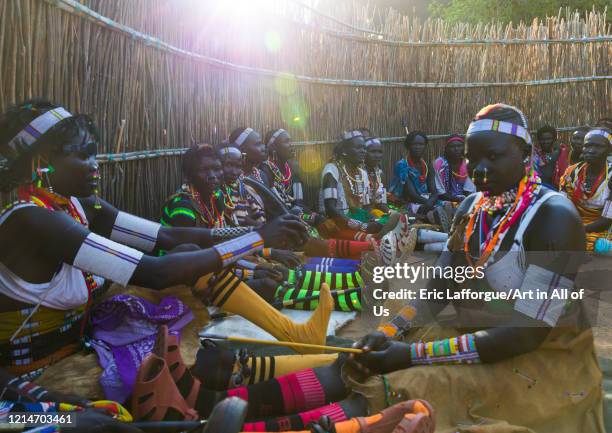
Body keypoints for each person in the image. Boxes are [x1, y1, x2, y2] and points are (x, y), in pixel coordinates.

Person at [0, 99, 332, 389]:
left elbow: (168, 237)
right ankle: (322, 367)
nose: (95, 164)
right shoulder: (32, 220)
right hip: (41, 373)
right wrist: (258, 239)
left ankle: (295, 335)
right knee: (191, 368)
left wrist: (254, 239)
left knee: (188, 259)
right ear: (39, 162)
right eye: (84, 155)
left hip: (89, 338)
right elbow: (154, 272)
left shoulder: (77, 205)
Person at [343, 103, 603, 433]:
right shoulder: (471, 207)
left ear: (524, 153)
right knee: (356, 367)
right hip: (483, 332)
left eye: (493, 157)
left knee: (401, 388)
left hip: (543, 357)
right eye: (472, 158)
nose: (479, 170)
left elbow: (527, 333)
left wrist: (410, 355)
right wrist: (389, 331)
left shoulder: (554, 217)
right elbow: (439, 291)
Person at [560, 127, 612, 251]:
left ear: (609, 150)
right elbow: (562, 208)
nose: (591, 151)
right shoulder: (571, 173)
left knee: (597, 246)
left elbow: (606, 220)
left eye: (598, 147)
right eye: (587, 146)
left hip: (602, 227)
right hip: (574, 223)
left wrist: (577, 231)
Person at [388, 131, 450, 231]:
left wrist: (432, 202)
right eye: (415, 144)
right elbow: (412, 194)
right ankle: (439, 225)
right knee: (429, 210)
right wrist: (430, 203)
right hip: (407, 202)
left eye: (421, 144)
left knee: (447, 205)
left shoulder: (427, 165)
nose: (418, 147)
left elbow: (434, 191)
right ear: (408, 146)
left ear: (425, 146)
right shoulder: (402, 165)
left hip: (425, 200)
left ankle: (447, 229)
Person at [433, 134, 475, 203]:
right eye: (452, 146)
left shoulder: (468, 164)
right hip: (444, 200)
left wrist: (466, 202)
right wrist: (457, 200)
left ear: (463, 147)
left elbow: (469, 191)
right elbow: (439, 192)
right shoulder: (440, 164)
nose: (456, 149)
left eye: (459, 146)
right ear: (446, 148)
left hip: (464, 199)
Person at [363, 136, 389, 214]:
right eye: (373, 151)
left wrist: (390, 212)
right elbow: (363, 207)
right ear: (364, 152)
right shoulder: (357, 174)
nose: (377, 155)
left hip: (374, 212)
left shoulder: (380, 174)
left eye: (379, 152)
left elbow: (382, 202)